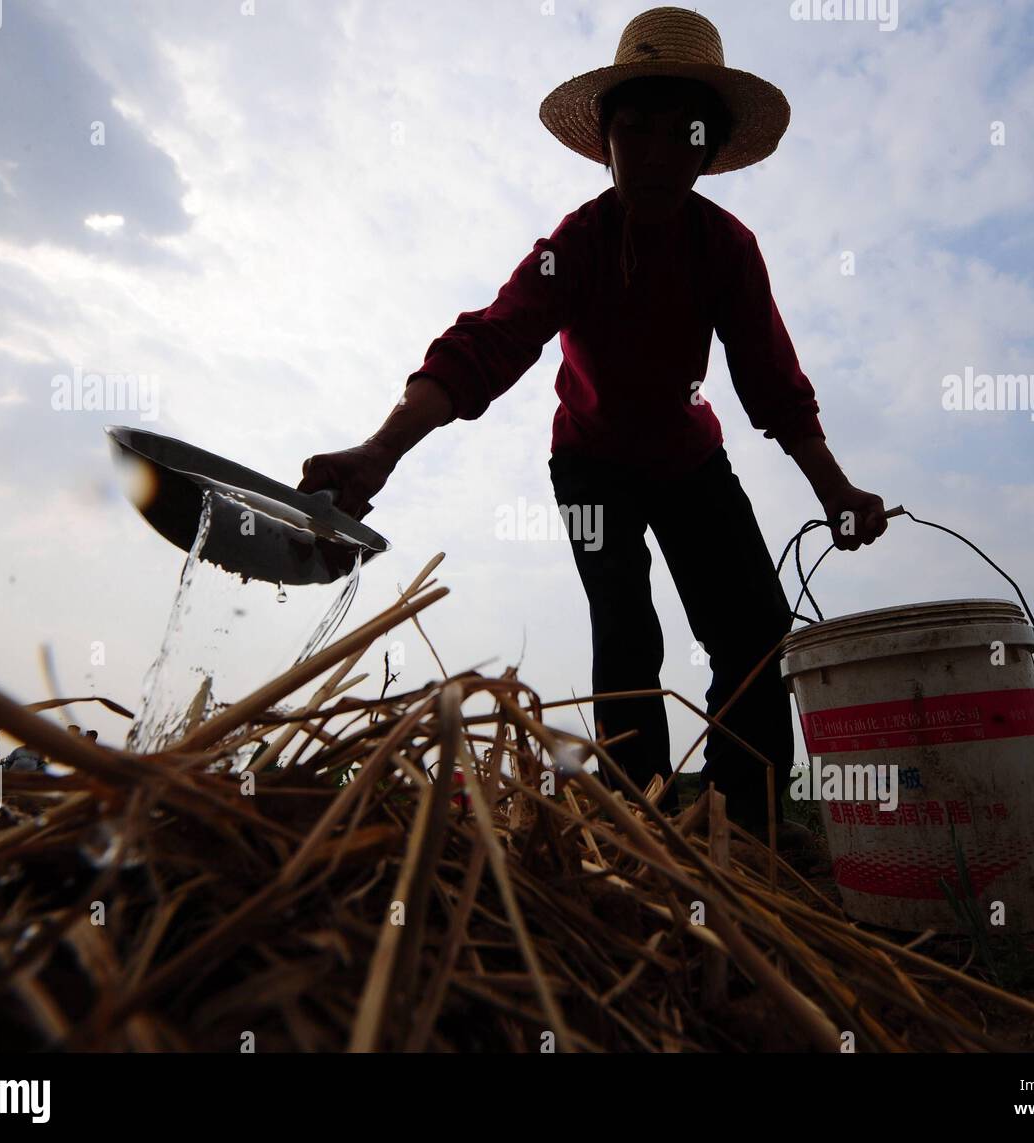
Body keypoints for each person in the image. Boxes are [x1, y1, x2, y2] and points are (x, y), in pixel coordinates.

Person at [299, 8, 887, 842]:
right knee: (624, 626)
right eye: (630, 131)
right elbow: (488, 343)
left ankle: (744, 824)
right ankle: (637, 821)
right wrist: (380, 449)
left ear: (706, 148)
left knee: (753, 624)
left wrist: (837, 490)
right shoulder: (574, 245)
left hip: (690, 459)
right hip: (589, 467)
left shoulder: (726, 248)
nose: (650, 153)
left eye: (677, 133)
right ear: (605, 141)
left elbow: (773, 385)